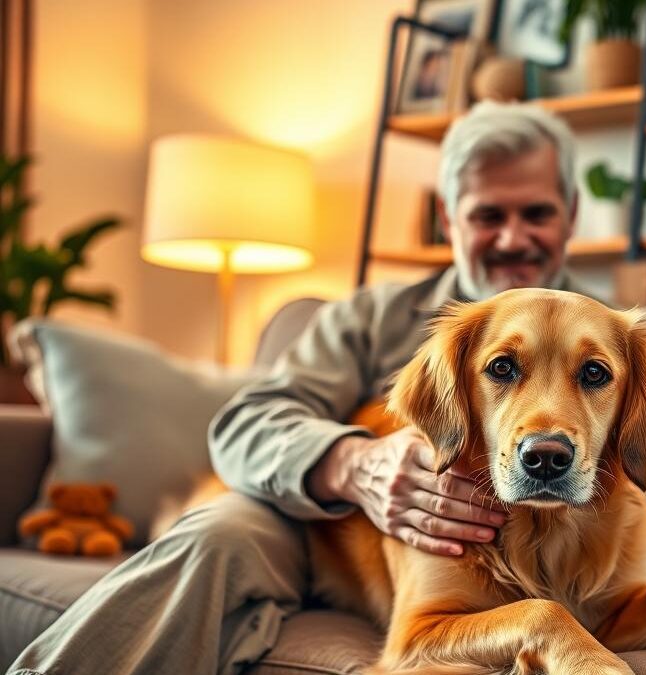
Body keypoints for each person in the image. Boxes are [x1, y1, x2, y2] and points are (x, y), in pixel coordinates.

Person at [8, 100, 587, 675]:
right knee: (218, 534)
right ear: (448, 216)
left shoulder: (616, 347)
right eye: (489, 216)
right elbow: (246, 423)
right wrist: (354, 464)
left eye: (536, 213)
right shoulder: (373, 318)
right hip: (309, 525)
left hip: (508, 570)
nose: (513, 239)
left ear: (571, 214)